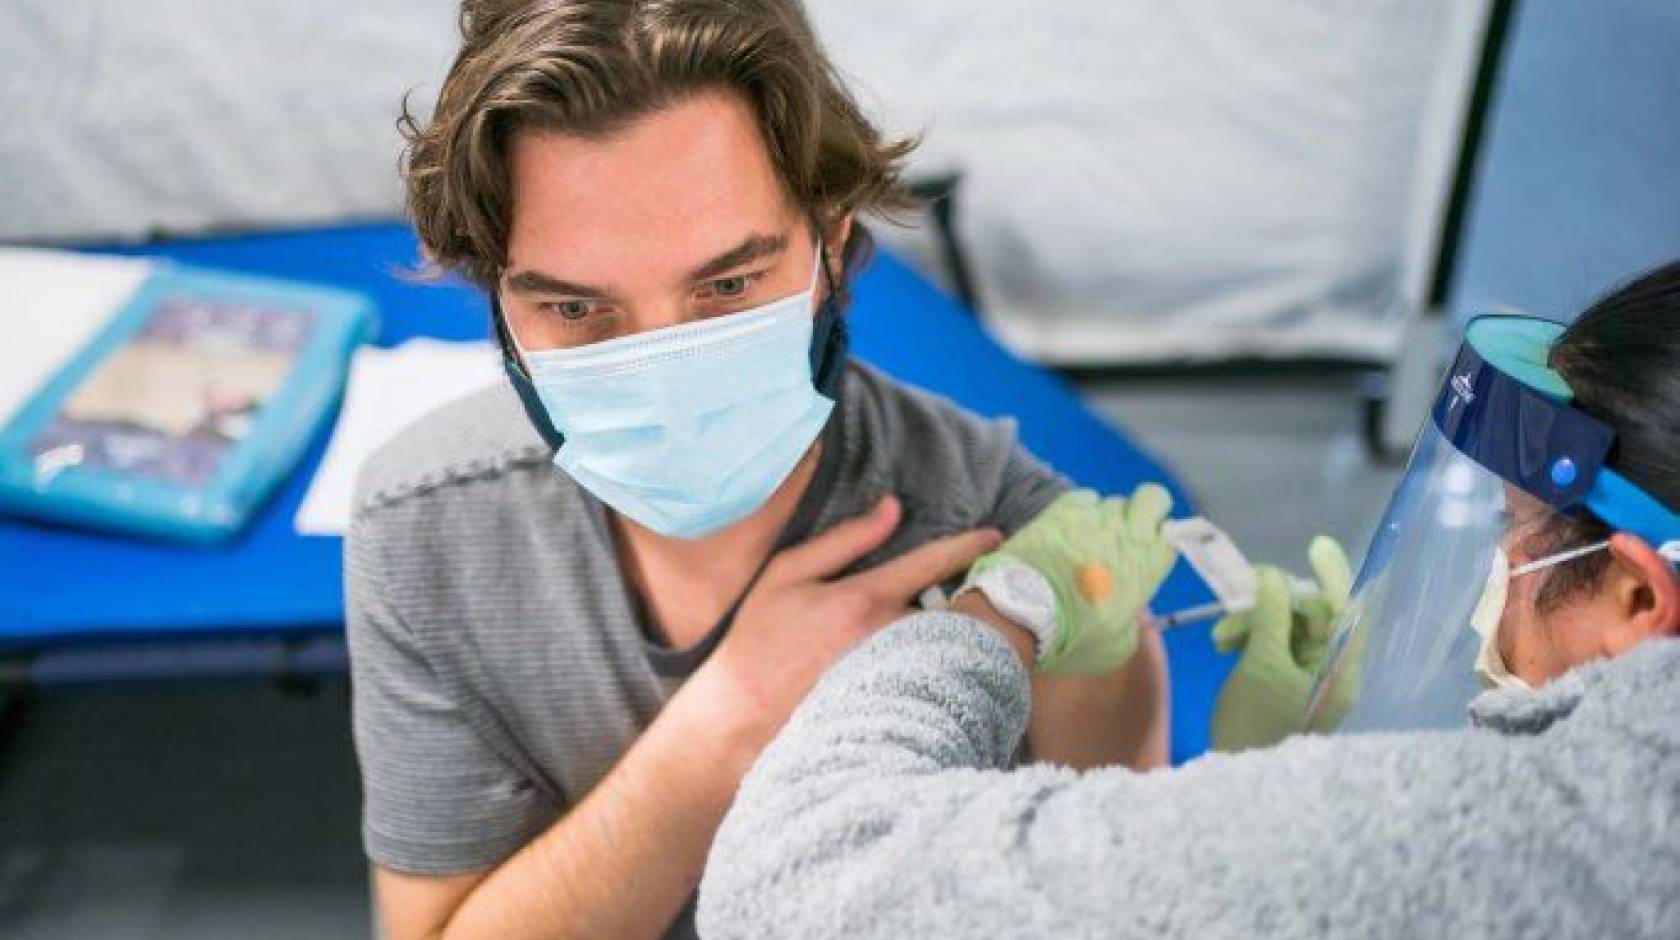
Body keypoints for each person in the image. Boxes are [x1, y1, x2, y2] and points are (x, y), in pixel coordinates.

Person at [346, 2, 1172, 938]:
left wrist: (1106, 666)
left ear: (830, 236)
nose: (666, 373)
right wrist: (724, 731)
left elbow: (1102, 907)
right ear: (497, 300)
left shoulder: (1006, 534)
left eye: (729, 285)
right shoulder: (421, 528)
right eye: (577, 309)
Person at [698, 264, 1680, 939]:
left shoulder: (1542, 832)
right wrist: (1268, 783)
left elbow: (793, 890)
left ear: (1639, 595)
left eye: (1518, 531)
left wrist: (1002, 611)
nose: (1494, 575)